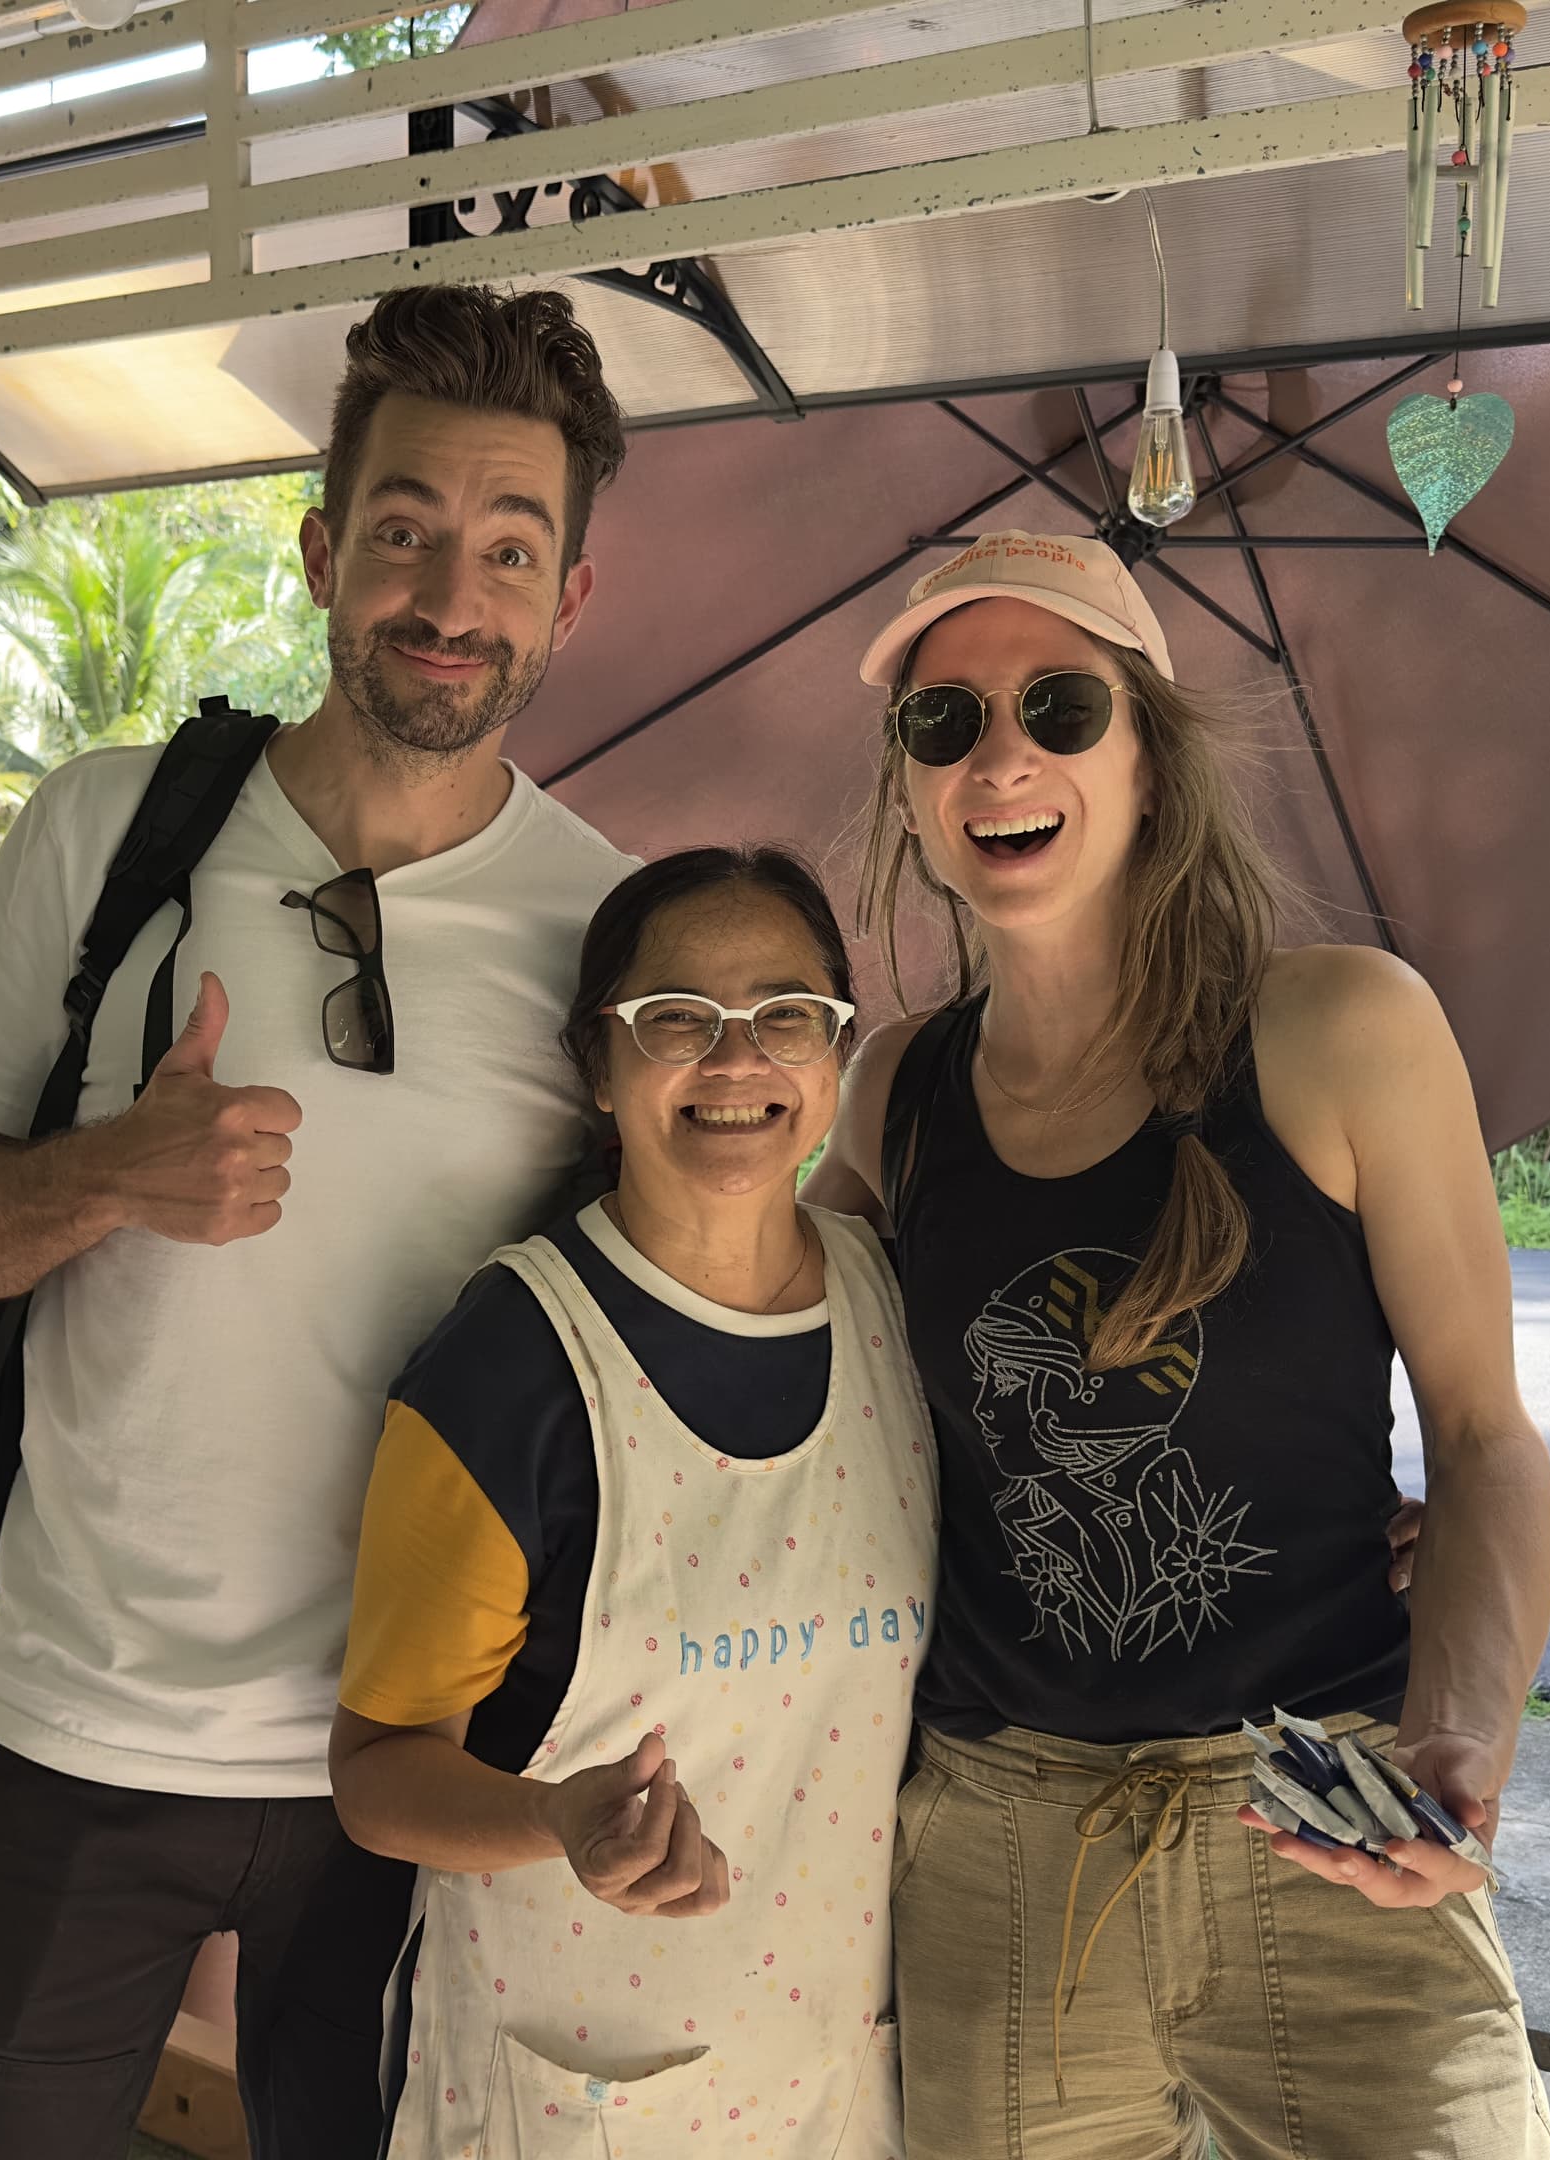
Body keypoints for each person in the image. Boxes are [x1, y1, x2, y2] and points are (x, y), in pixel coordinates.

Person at [0, 284, 643, 2156]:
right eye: (404, 533)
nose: (450, 596)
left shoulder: (608, 931)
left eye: (509, 548)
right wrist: (106, 1176)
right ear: (318, 550)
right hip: (83, 1725)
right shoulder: (108, 834)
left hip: (420, 1762)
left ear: (569, 601)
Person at [805, 531, 1550, 2158]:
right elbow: (761, 1357)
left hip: (1327, 1810)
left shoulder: (1343, 1029)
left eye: (1059, 707)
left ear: (1148, 753)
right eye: (945, 724)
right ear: (913, 789)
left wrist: (1461, 1739)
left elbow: (1486, 1437)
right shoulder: (894, 1093)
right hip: (1003, 1847)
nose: (1000, 755)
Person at [333, 847, 933, 2159]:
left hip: (836, 2078)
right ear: (599, 1069)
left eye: (786, 1016)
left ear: (835, 1056)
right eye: (677, 1021)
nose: (736, 1064)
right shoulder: (509, 1370)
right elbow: (377, 1778)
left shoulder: (891, 1303)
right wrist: (555, 1816)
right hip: (566, 2091)